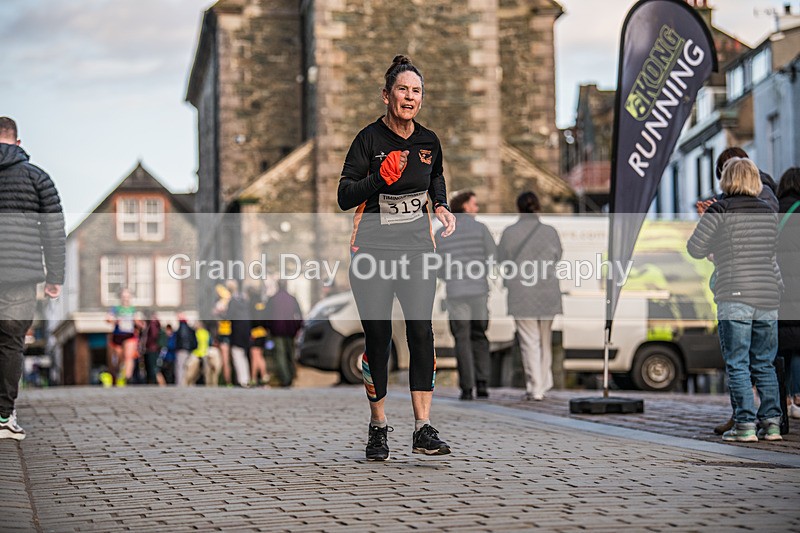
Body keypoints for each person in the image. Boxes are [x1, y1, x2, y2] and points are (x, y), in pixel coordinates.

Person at [338, 55, 456, 461]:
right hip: (371, 252)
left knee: (421, 332)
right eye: (402, 89)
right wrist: (379, 179)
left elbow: (436, 175)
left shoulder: (429, 141)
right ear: (386, 95)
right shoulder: (368, 140)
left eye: (416, 91)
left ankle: (423, 428)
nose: (410, 97)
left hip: (418, 250)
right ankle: (378, 426)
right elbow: (344, 196)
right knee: (378, 337)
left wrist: (440, 204)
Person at [688, 157, 783, 442]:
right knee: (764, 363)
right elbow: (770, 254)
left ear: (727, 180)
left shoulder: (720, 209)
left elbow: (695, 248)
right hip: (768, 295)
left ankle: (744, 425)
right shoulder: (768, 212)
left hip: (735, 293)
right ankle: (772, 424)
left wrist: (716, 246)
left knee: (738, 362)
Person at [0, 117, 65, 440]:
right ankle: (3, 417)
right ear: (18, 142)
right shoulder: (38, 178)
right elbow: (53, 230)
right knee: (11, 343)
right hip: (20, 276)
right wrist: (55, 276)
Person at [497, 191, 563, 401]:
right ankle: (544, 383)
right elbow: (558, 256)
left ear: (519, 208)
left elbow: (501, 259)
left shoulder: (509, 232)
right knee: (545, 339)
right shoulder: (550, 232)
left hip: (521, 292)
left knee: (529, 341)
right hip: (548, 291)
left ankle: (535, 387)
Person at [435, 190, 495, 400]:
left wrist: (449, 276)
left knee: (461, 338)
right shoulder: (481, 229)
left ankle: (467, 388)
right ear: (465, 206)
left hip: (456, 292)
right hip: (479, 291)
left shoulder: (442, 232)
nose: (477, 208)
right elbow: (493, 255)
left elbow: (436, 265)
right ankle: (483, 383)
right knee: (479, 335)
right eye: (474, 204)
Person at [776, 167, 800, 419]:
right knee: (799, 345)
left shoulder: (772, 210)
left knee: (781, 345)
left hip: (778, 286)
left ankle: (782, 399)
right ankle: (798, 398)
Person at [264, 280, 304, 388]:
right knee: (290, 354)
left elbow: (267, 316)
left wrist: (269, 327)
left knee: (280, 355)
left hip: (277, 331)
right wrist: (297, 327)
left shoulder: (273, 299)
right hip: (290, 331)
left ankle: (285, 378)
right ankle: (290, 376)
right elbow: (299, 315)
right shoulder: (292, 299)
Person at [106, 288, 143, 386]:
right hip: (118, 335)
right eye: (124, 296)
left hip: (129, 335)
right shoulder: (115, 309)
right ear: (121, 298)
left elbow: (140, 323)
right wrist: (114, 320)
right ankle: (117, 372)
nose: (125, 299)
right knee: (119, 358)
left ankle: (128, 378)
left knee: (128, 357)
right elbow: (108, 319)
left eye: (127, 296)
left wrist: (138, 322)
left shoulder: (134, 309)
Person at [247, 285, 269, 387]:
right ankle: (254, 377)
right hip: (263, 332)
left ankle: (264, 375)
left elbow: (251, 320)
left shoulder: (251, 304)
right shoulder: (263, 304)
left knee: (256, 356)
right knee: (257, 355)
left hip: (255, 333)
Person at [184, 320, 209, 386]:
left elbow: (193, 343)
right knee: (204, 372)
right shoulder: (206, 333)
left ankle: (190, 383)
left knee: (191, 371)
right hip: (204, 354)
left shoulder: (195, 333)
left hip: (196, 354)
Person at [141, 312, 162, 385]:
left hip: (151, 349)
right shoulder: (152, 324)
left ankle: (154, 384)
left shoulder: (152, 324)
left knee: (152, 369)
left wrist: (147, 344)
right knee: (152, 369)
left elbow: (153, 335)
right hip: (151, 348)